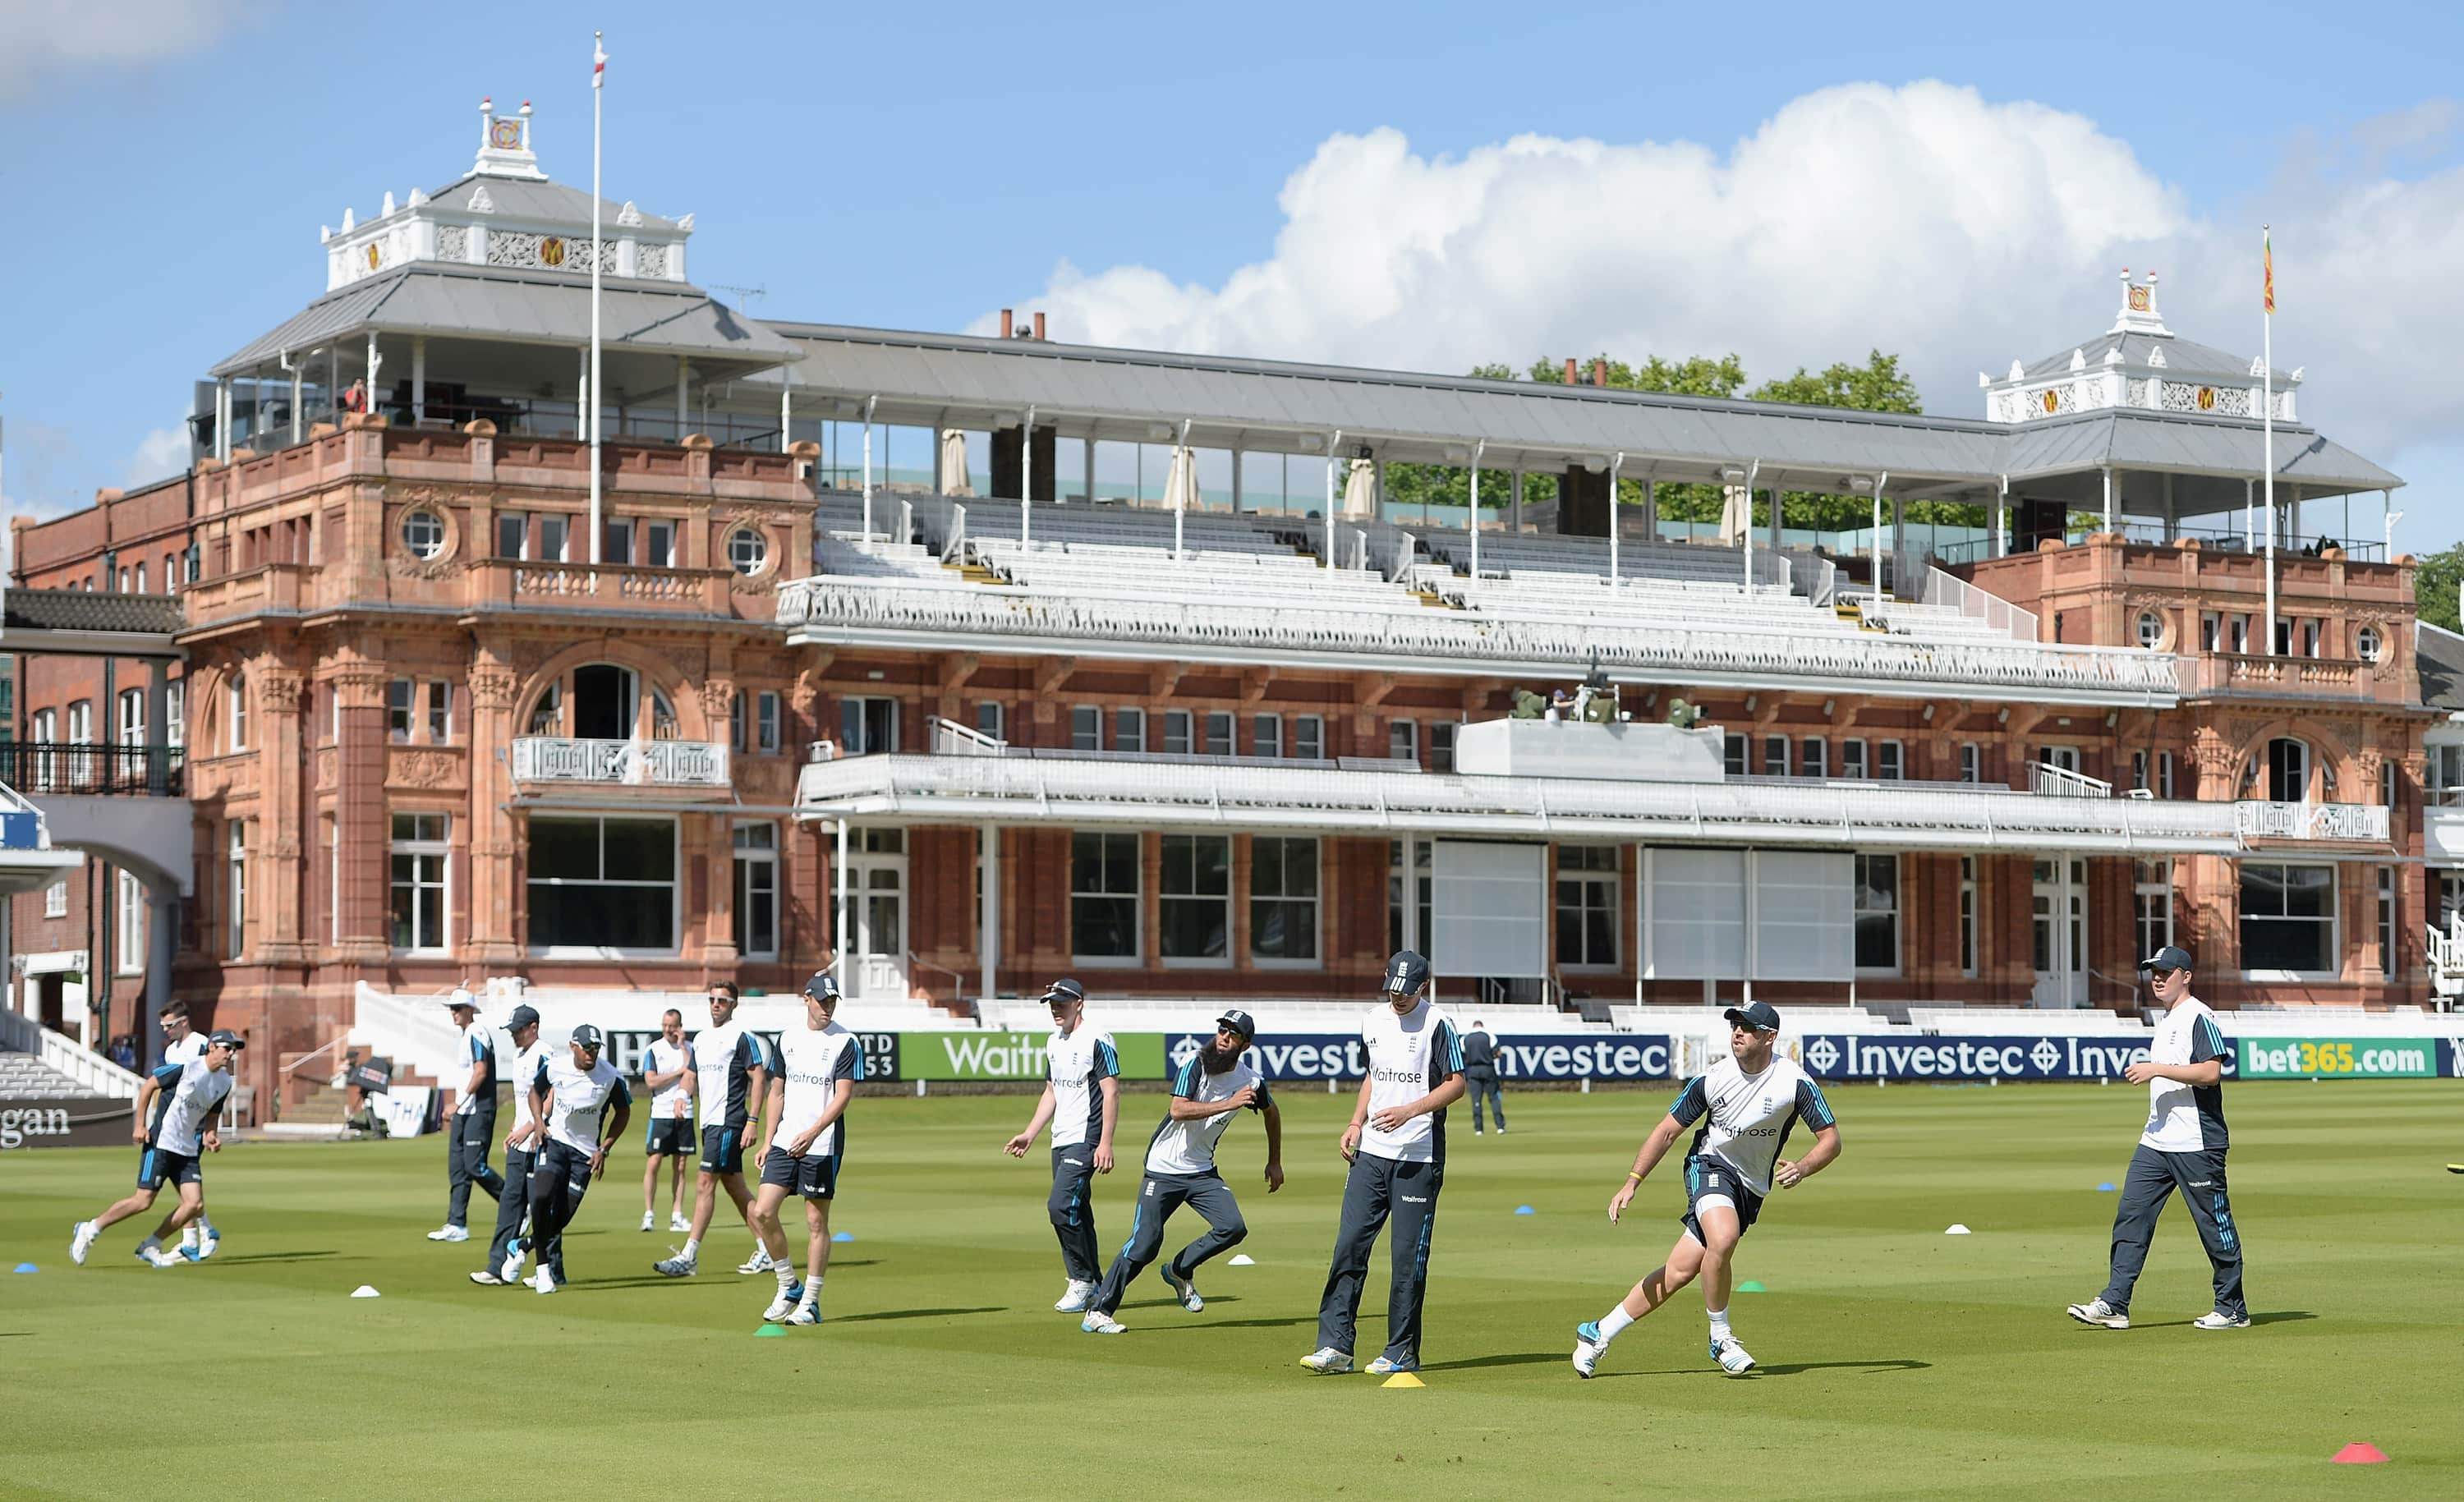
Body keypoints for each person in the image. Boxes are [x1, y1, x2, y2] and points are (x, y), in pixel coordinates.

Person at [1571, 1001, 1841, 1378]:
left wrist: (1803, 1167)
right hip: (1708, 1166)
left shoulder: (1795, 1083)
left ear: (1770, 1037)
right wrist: (1632, 1181)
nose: (1737, 1032)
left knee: (1680, 1272)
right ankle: (1721, 1337)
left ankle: (1597, 1333)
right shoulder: (1712, 1078)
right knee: (1724, 1236)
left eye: (1747, 1026)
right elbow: (1667, 1131)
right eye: (1735, 1024)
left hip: (1750, 1187)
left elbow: (1830, 1140)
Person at [1299, 949, 1464, 1376]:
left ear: (1423, 987)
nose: (1399, 998)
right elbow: (1374, 1073)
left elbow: (1457, 1083)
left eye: (1408, 992)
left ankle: (1401, 1351)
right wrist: (1355, 1121)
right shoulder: (1372, 1020)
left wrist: (1410, 1110)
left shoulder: (1438, 1024)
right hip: (1371, 1154)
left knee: (1407, 1259)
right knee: (1349, 1246)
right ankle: (1336, 1346)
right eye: (1393, 989)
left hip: (1419, 1156)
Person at [2068, 944, 2248, 1331]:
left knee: (2213, 1224)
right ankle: (2115, 1302)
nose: (2158, 978)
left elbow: (2211, 1072)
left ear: (2187, 976)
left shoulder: (2199, 1016)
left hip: (2197, 1142)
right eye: (2154, 972)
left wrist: (2157, 1070)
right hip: (2157, 1141)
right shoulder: (2165, 1019)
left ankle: (2232, 1308)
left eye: (2167, 972)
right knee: (2131, 1217)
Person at [1081, 1011, 1281, 1335]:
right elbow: (1178, 1109)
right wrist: (1229, 1104)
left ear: (1245, 1044)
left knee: (1233, 1227)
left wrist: (1275, 1161)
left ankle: (1179, 1269)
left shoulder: (1251, 1081)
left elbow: (1272, 1113)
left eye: (1232, 1034)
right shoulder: (1196, 1062)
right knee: (1145, 1243)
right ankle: (1099, 1310)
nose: (1224, 1037)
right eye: (1221, 1029)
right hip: (1163, 1169)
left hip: (1202, 1172)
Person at [71, 1031, 244, 1268]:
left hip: (187, 1149)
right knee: (143, 1201)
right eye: (228, 1048)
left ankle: (151, 1245)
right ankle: (90, 1229)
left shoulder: (224, 1082)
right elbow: (149, 1086)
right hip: (162, 1142)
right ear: (212, 1047)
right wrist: (140, 1124)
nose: (231, 1053)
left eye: (235, 1049)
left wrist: (210, 1135)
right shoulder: (185, 1068)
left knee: (194, 1205)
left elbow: (212, 1114)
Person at [749, 974, 864, 1326]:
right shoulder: (788, 1038)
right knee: (762, 1213)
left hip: (822, 1143)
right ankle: (788, 1285)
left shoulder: (846, 1042)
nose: (827, 1007)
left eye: (832, 1002)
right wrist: (769, 1140)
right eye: (822, 1001)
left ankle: (811, 1302)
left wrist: (814, 1132)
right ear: (806, 999)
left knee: (816, 1221)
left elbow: (843, 1095)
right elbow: (777, 1091)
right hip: (785, 1140)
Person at [1001, 978, 1119, 1314]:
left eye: (1062, 1003)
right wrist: (1030, 1134)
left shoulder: (1099, 1039)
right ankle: (1097, 1284)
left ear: (1079, 1003)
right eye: (1052, 1003)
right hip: (1061, 1137)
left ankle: (1080, 1281)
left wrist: (1105, 1142)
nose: (1055, 1009)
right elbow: (1052, 1092)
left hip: (1087, 1137)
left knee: (1059, 1206)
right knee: (1078, 1210)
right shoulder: (1053, 1042)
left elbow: (1111, 1091)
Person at [655, 981, 774, 1278]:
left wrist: (753, 1120)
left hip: (729, 1121)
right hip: (709, 1123)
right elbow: (691, 1074)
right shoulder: (703, 1039)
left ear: (734, 1004)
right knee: (735, 1188)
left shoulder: (741, 1037)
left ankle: (689, 1255)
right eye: (712, 999)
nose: (716, 1004)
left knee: (706, 1182)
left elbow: (758, 1078)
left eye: (722, 999)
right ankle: (768, 1250)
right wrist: (682, 1095)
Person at [501, 1024, 631, 1293]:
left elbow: (623, 1112)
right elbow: (535, 1092)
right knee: (540, 1197)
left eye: (596, 1048)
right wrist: (538, 1123)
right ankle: (543, 1270)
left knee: (561, 1218)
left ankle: (522, 1246)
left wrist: (604, 1148)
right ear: (573, 1046)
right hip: (556, 1142)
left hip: (584, 1155)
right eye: (587, 1048)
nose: (591, 1054)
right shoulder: (556, 1067)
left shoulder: (610, 1077)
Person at [474, 1006, 557, 1287]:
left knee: (542, 1207)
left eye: (518, 1030)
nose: (514, 1035)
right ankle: (497, 1267)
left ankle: (551, 1269)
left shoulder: (545, 1053)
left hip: (541, 1141)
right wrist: (514, 1128)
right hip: (520, 1142)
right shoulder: (520, 1055)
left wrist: (532, 1126)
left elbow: (553, 1094)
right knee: (510, 1205)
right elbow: (524, 1098)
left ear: (533, 1027)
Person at [426, 990, 503, 1243]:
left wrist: (458, 1103)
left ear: (470, 1009)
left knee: (475, 1166)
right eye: (452, 1008)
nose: (454, 1012)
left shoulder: (477, 1033)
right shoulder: (465, 1035)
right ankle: (457, 1224)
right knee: (457, 1169)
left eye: (458, 1008)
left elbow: (481, 1072)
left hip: (477, 1109)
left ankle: (516, 1204)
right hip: (465, 1110)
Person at [157, 1003, 224, 1261]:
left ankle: (202, 1235)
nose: (166, 1031)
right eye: (163, 1026)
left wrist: (210, 1128)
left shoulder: (200, 1044)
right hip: (178, 1124)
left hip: (196, 1122)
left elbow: (213, 1084)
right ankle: (194, 1238)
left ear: (184, 1022)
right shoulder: (171, 1052)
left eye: (170, 1025)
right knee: (181, 1182)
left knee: (184, 1179)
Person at [640, 1008, 696, 1233]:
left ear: (680, 1026)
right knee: (654, 1162)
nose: (667, 1030)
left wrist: (683, 1047)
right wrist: (678, 1073)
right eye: (665, 1025)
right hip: (661, 1112)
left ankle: (677, 1215)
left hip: (685, 1112)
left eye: (672, 1026)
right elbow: (651, 1082)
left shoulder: (691, 1048)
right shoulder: (653, 1050)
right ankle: (649, 1214)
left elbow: (692, 1074)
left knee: (681, 1166)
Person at [1461, 1018, 1504, 1137]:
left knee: (1476, 1101)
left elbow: (1462, 1055)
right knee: (1494, 1098)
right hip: (1488, 1069)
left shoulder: (1465, 1038)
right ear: (1482, 1026)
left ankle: (1479, 1129)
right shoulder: (1489, 1036)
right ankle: (1500, 1127)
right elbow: (1499, 1053)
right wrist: (1490, 1057)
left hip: (1473, 1071)